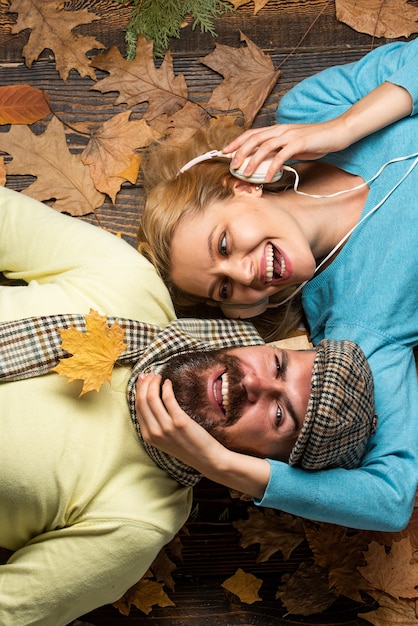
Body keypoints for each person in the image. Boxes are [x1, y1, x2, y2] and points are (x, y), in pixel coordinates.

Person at [0, 186, 376, 624]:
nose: (255, 384)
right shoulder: (127, 282)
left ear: (263, 463)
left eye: (279, 415)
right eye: (277, 366)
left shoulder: (136, 520)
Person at [137, 39, 418, 532]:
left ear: (239, 183)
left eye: (223, 245)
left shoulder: (310, 110)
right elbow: (390, 498)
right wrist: (223, 466)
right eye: (224, 290)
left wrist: (337, 131)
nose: (244, 273)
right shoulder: (358, 326)